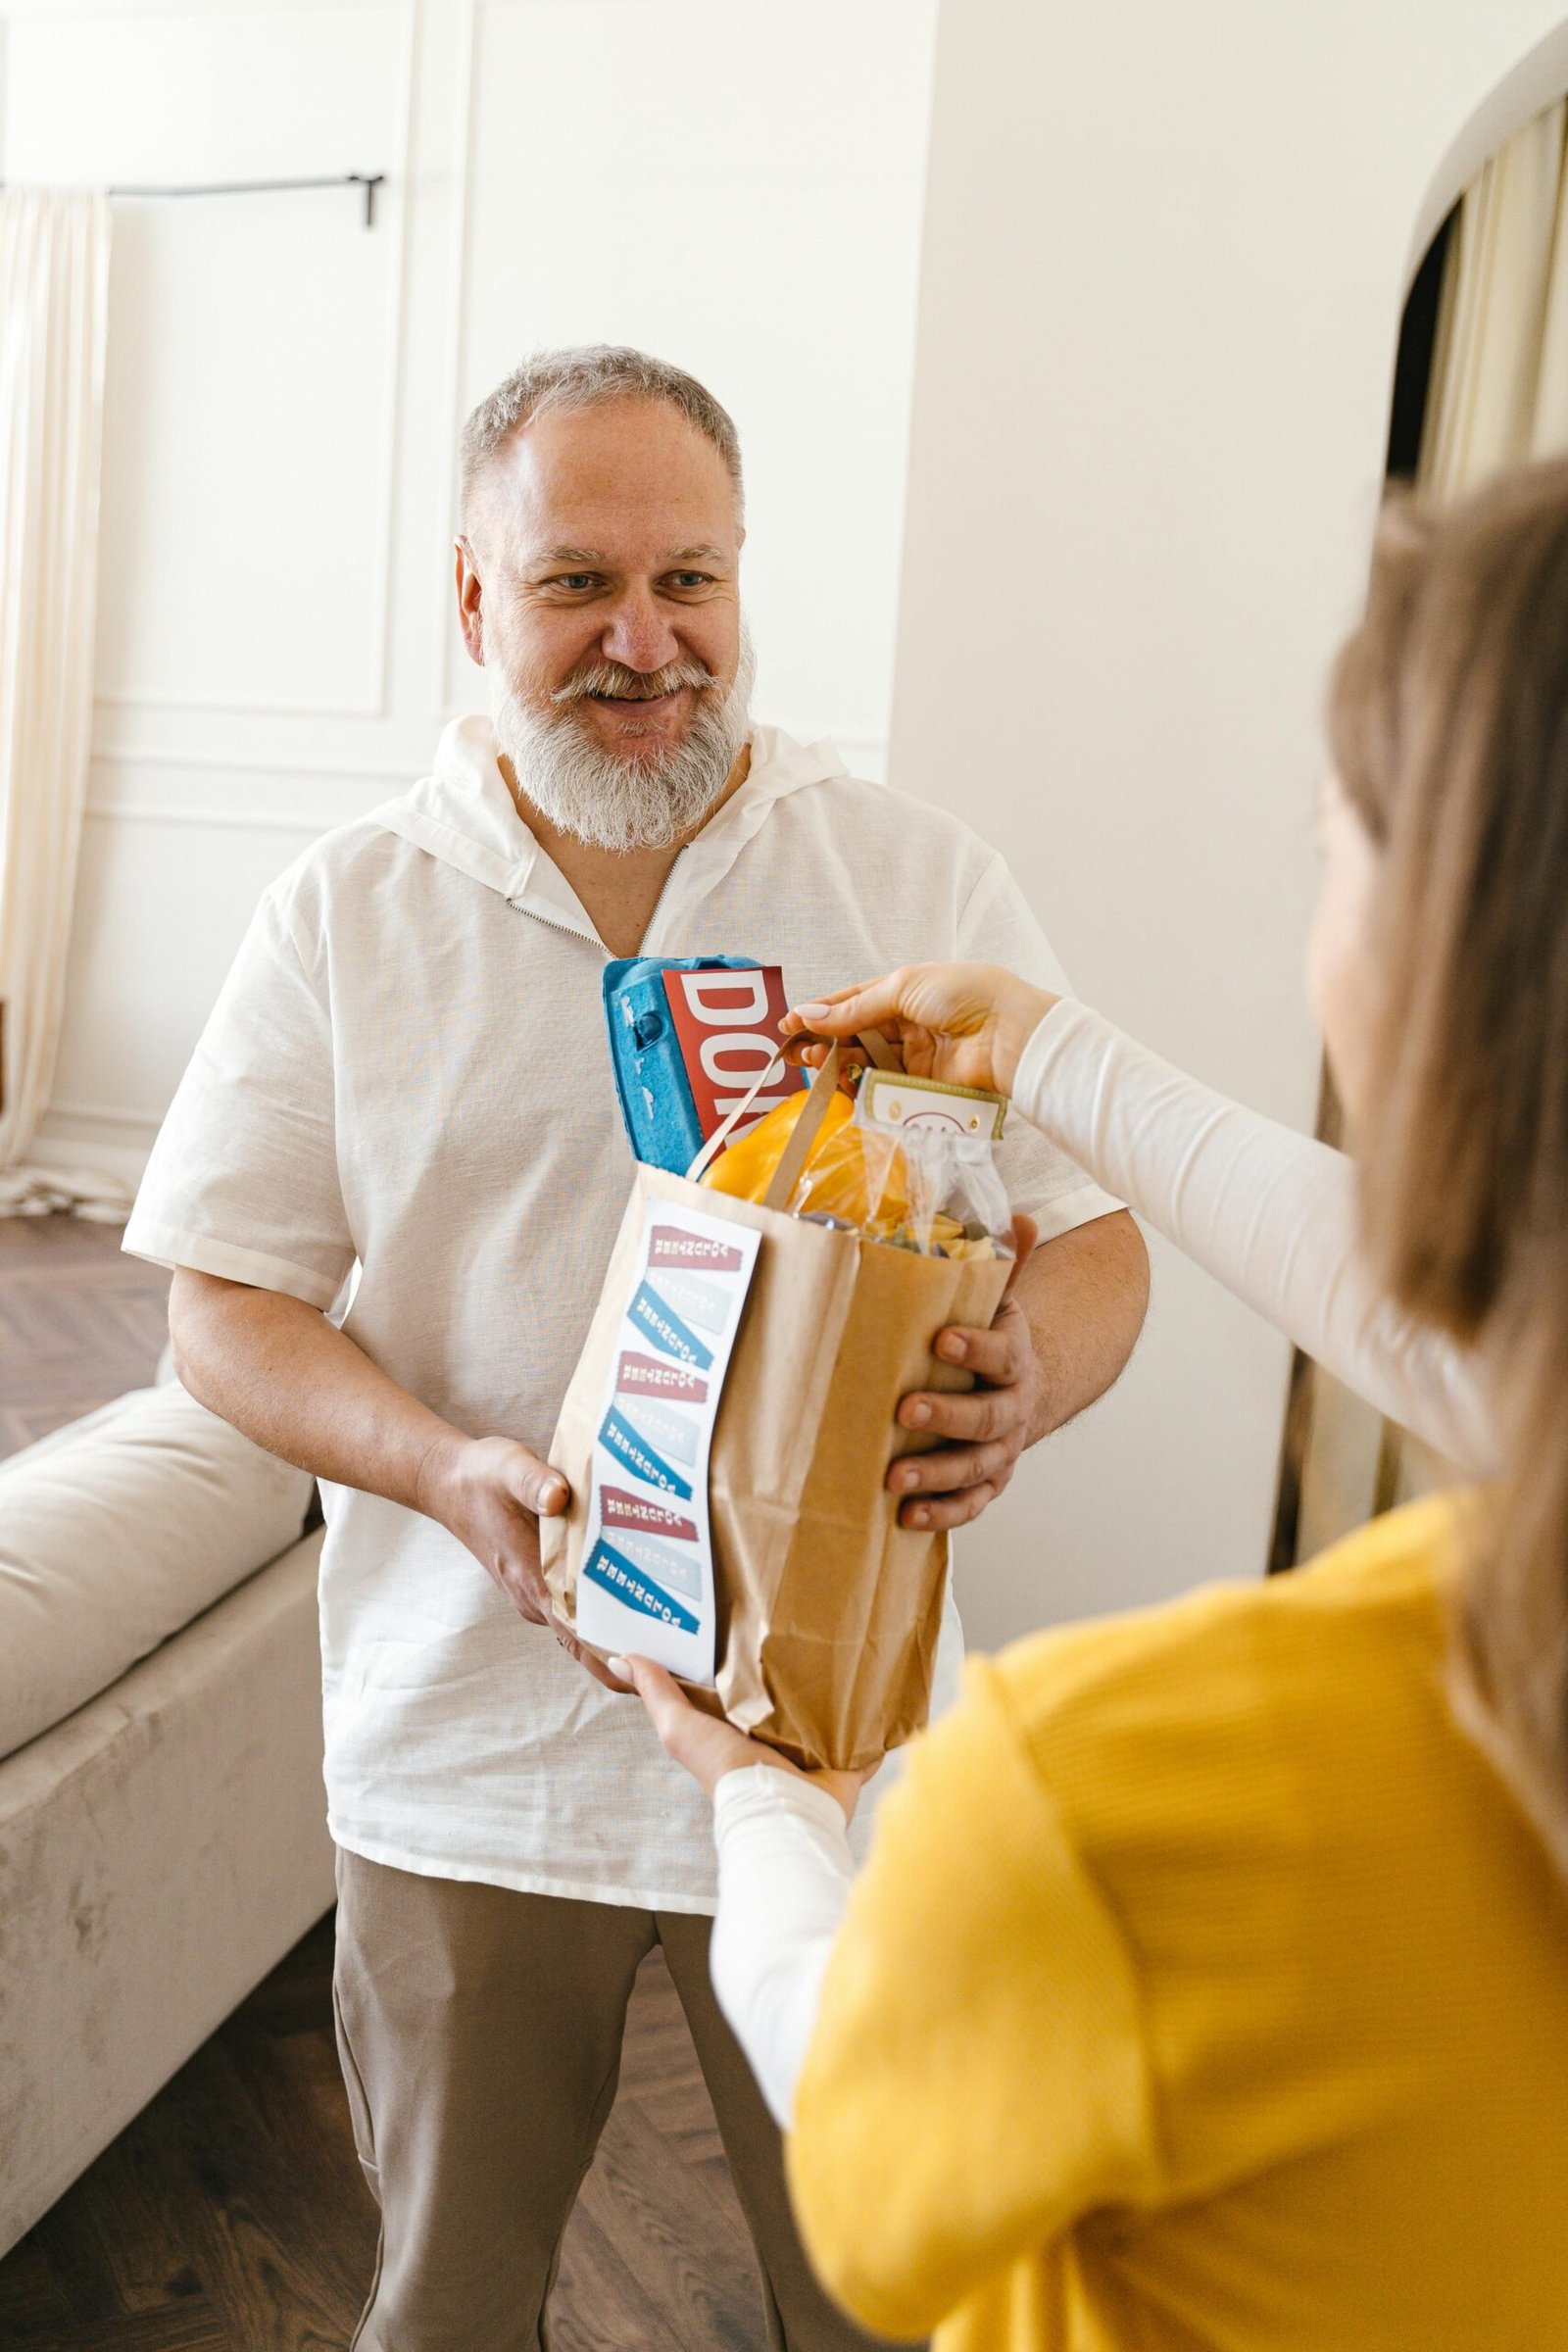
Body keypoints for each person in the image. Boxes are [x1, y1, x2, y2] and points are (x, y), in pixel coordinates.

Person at [122, 344, 1149, 2352]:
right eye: (578, 580)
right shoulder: (345, 911)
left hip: (840, 1741)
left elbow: (1089, 1239)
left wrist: (1021, 1370)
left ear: (744, 581)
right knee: (447, 2301)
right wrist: (436, 1469)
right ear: (472, 597)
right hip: (465, 1749)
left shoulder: (909, 874)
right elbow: (217, 1308)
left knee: (884, 2298)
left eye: (692, 579)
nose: (643, 638)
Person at [624, 463, 1568, 2350]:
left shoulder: (1118, 1791)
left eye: (1334, 840)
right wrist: (1043, 1044)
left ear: (1439, 964)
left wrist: (775, 1810)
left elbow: (867, 2161)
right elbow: (1443, 1319)